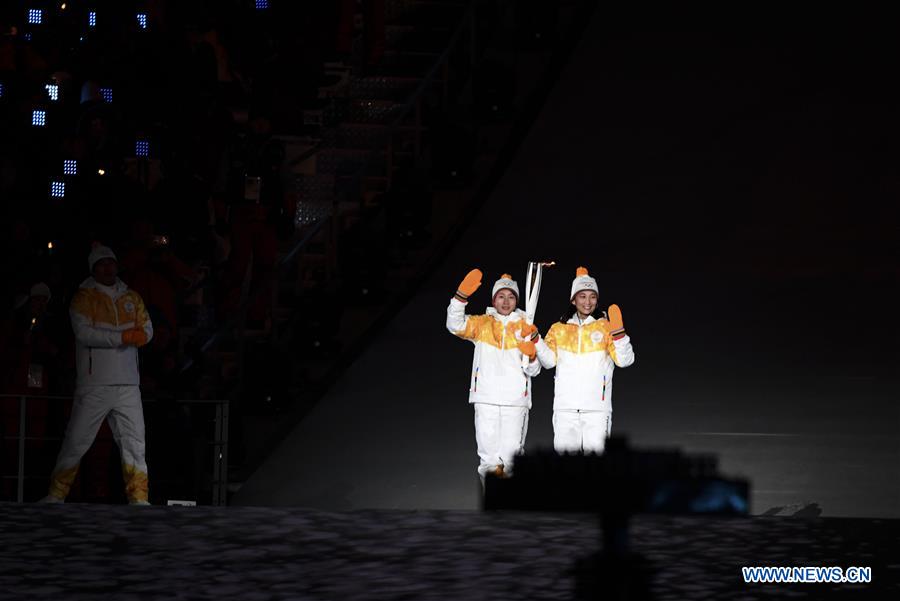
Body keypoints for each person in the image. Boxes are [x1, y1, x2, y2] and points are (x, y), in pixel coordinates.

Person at [41, 244, 154, 505]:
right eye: (101, 264)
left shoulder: (132, 297)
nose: (107, 268)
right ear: (93, 269)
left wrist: (140, 336)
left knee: (134, 443)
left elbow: (148, 330)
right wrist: (123, 337)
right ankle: (56, 494)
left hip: (128, 385)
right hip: (95, 384)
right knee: (76, 441)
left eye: (110, 263)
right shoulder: (83, 298)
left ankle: (139, 498)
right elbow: (85, 334)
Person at [446, 269, 540, 482]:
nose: (506, 302)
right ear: (493, 300)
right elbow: (454, 325)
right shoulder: (482, 324)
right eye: (501, 296)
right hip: (485, 398)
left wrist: (533, 356)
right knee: (488, 458)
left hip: (515, 401)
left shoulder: (525, 327)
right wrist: (460, 298)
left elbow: (534, 370)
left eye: (511, 297)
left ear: (516, 301)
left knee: (513, 458)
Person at [535, 267, 635, 454]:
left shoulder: (606, 327)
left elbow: (625, 360)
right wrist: (536, 341)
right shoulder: (558, 329)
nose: (588, 302)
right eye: (582, 296)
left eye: (592, 297)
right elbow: (548, 362)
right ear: (573, 299)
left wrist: (619, 334)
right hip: (565, 409)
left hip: (597, 409)